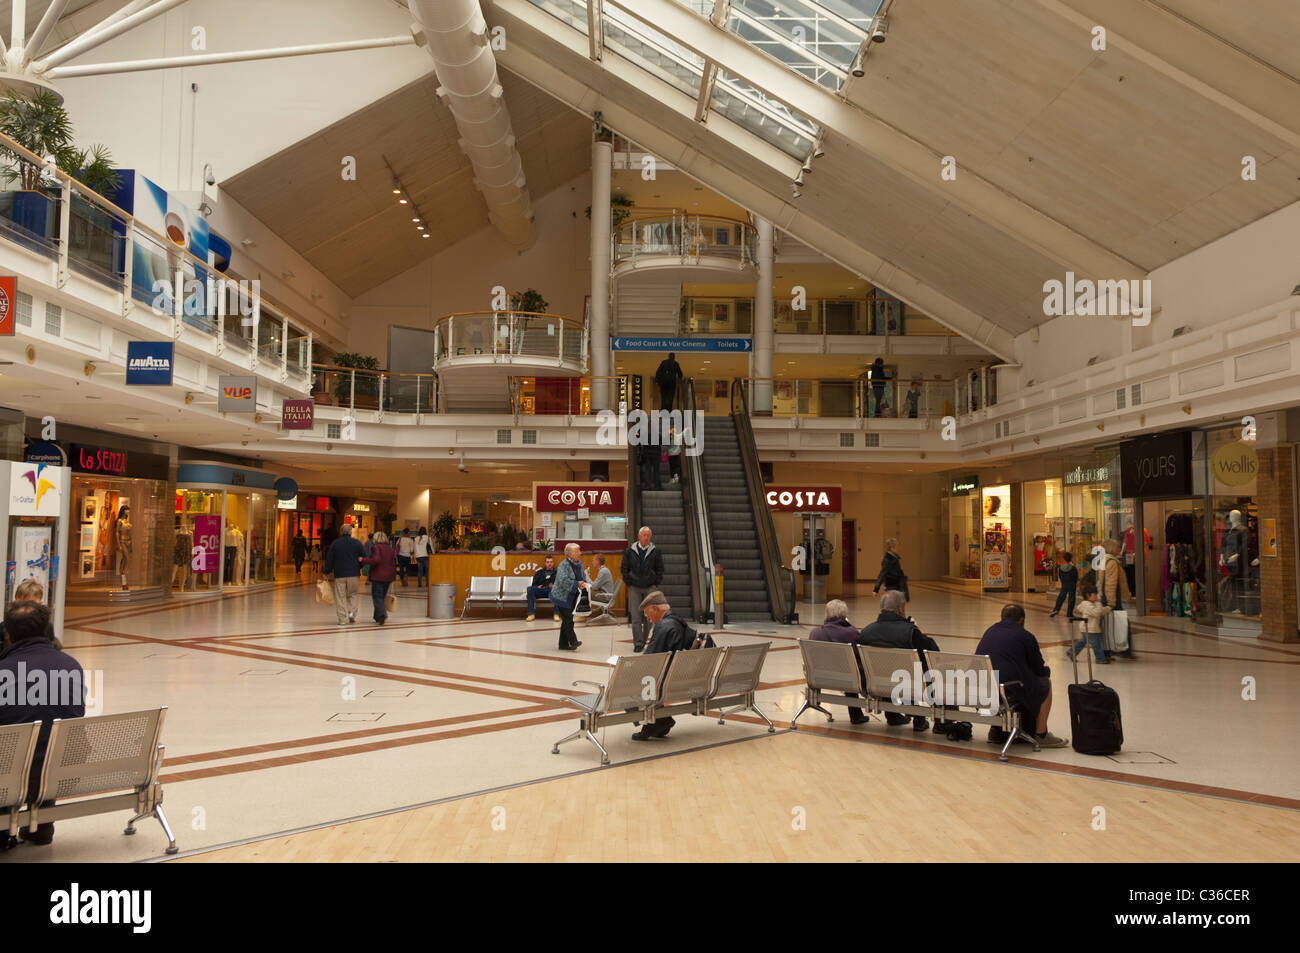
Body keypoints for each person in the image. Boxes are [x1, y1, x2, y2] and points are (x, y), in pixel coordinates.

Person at [0, 601, 85, 848]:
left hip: (7, 775)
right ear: (46, 629)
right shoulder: (71, 666)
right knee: (47, 740)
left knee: (12, 751)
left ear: (8, 635)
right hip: (59, 773)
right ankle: (40, 828)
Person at [975, 605, 1067, 747]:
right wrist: (1046, 672)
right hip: (1006, 689)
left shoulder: (990, 631)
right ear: (1021, 620)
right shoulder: (1025, 636)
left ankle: (996, 730)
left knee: (1003, 678)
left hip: (982, 688)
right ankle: (1041, 734)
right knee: (1045, 684)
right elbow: (1038, 668)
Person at [858, 589, 937, 731]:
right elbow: (933, 652)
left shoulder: (866, 632)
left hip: (876, 684)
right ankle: (921, 719)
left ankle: (892, 715)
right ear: (900, 609)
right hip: (908, 685)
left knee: (888, 669)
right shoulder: (910, 632)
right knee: (917, 671)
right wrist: (920, 631)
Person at [634, 592, 700, 739]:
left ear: (655, 609)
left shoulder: (664, 626)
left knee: (630, 683)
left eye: (647, 613)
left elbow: (648, 660)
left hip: (667, 682)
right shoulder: (678, 622)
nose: (647, 617)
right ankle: (661, 720)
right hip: (681, 678)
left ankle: (655, 722)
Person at [810, 599, 869, 723]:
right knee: (851, 670)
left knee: (846, 670)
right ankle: (856, 715)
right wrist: (850, 626)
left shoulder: (815, 633)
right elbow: (861, 656)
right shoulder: (851, 632)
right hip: (849, 680)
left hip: (821, 678)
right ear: (844, 615)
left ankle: (856, 715)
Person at [621, 526, 664, 651]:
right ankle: (638, 643)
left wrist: (656, 582)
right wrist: (628, 582)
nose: (646, 537)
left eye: (648, 535)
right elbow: (624, 568)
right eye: (644, 535)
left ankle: (644, 640)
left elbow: (660, 568)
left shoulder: (656, 551)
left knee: (650, 617)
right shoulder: (630, 551)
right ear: (639, 536)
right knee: (636, 617)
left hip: (650, 587)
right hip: (634, 587)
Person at [1099, 538, 1136, 659]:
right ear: (1112, 548)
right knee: (1122, 623)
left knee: (1108, 625)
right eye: (1117, 547)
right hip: (1113, 598)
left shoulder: (1104, 560)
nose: (1119, 549)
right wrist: (1111, 602)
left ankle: (1110, 651)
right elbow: (1110, 583)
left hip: (1107, 597)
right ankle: (1124, 650)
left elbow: (1101, 582)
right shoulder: (1113, 562)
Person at [323, 523, 365, 626]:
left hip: (340, 574)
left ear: (341, 532)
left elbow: (330, 559)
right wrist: (359, 567)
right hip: (353, 574)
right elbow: (363, 557)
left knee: (340, 596)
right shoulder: (357, 543)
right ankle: (351, 614)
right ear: (351, 532)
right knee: (353, 595)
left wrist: (326, 571)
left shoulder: (335, 543)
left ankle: (342, 619)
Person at [0, 580, 60, 649]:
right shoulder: (4, 626)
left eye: (32, 604)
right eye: (23, 603)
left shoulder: (47, 627)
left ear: (40, 604)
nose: (27, 608)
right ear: (15, 603)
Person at [550, 543, 586, 652]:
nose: (580, 553)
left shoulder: (580, 564)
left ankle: (563, 644)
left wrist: (584, 583)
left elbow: (582, 577)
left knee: (566, 620)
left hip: (572, 597)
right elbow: (563, 581)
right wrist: (577, 584)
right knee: (568, 620)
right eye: (577, 551)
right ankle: (573, 641)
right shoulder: (563, 565)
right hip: (561, 597)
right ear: (570, 554)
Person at [359, 531, 398, 625]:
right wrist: (393, 575)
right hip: (388, 576)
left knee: (377, 596)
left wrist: (363, 560)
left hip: (378, 576)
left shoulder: (376, 547)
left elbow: (376, 560)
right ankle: (377, 616)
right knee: (381, 596)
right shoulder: (389, 548)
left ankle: (382, 615)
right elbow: (393, 562)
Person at [1068, 583, 1112, 664]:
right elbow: (1097, 612)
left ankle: (1072, 652)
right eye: (1094, 594)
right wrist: (1099, 603)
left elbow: (1101, 611)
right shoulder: (1088, 605)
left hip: (1087, 628)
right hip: (1090, 628)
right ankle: (1100, 659)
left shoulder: (1091, 604)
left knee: (1083, 641)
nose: (1096, 596)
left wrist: (1108, 608)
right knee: (1097, 645)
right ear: (1088, 595)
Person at [872, 538, 908, 602]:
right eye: (897, 547)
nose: (898, 549)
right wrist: (876, 589)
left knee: (900, 605)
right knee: (893, 606)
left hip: (897, 586)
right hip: (891, 587)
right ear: (892, 548)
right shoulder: (887, 560)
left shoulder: (895, 558)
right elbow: (882, 574)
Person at [526, 555, 557, 621]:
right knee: (530, 589)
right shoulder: (539, 573)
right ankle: (531, 614)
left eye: (551, 562)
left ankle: (556, 614)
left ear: (553, 563)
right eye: (548, 562)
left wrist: (554, 586)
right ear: (545, 563)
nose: (549, 564)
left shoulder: (557, 573)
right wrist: (537, 587)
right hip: (540, 591)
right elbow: (533, 585)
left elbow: (561, 585)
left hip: (551, 591)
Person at [1049, 551, 1079, 619]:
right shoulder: (1073, 568)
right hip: (1072, 585)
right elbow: (1076, 577)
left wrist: (1064, 582)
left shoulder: (1061, 568)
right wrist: (1075, 583)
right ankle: (1069, 613)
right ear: (1071, 559)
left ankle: (1056, 609)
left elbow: (1060, 577)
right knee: (1071, 599)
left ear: (1064, 559)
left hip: (1064, 584)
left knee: (1061, 597)